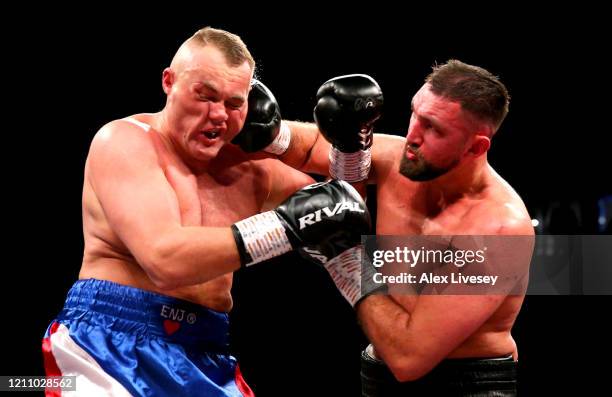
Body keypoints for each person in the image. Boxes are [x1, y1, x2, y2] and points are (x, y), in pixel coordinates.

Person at [41, 27, 370, 397]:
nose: (218, 115)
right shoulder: (124, 142)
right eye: (205, 96)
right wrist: (284, 227)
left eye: (233, 103)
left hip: (206, 351)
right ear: (169, 81)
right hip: (106, 343)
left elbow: (345, 219)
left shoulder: (251, 170)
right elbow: (164, 260)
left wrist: (349, 148)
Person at [240, 60, 535, 396]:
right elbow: (310, 148)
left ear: (476, 146)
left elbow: (409, 356)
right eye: (415, 114)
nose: (412, 137)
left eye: (434, 129)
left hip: (462, 384)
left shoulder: (497, 229)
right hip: (378, 375)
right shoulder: (404, 158)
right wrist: (273, 132)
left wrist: (345, 257)